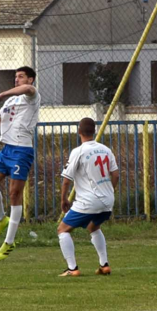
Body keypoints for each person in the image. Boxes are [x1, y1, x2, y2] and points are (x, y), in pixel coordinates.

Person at [0, 66, 41, 261]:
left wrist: (3, 92)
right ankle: (1, 219)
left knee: (15, 194)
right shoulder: (11, 100)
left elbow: (26, 90)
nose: (17, 80)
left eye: (21, 76)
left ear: (30, 80)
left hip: (21, 151)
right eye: (15, 77)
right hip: (6, 150)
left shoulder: (32, 95)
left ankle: (9, 241)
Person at [57, 118, 119, 277]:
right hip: (108, 200)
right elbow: (116, 174)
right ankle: (104, 265)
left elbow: (66, 180)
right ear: (94, 131)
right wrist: (109, 191)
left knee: (63, 229)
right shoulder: (106, 149)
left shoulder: (78, 151)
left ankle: (72, 269)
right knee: (93, 227)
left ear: (79, 131)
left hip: (89, 201)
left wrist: (64, 199)